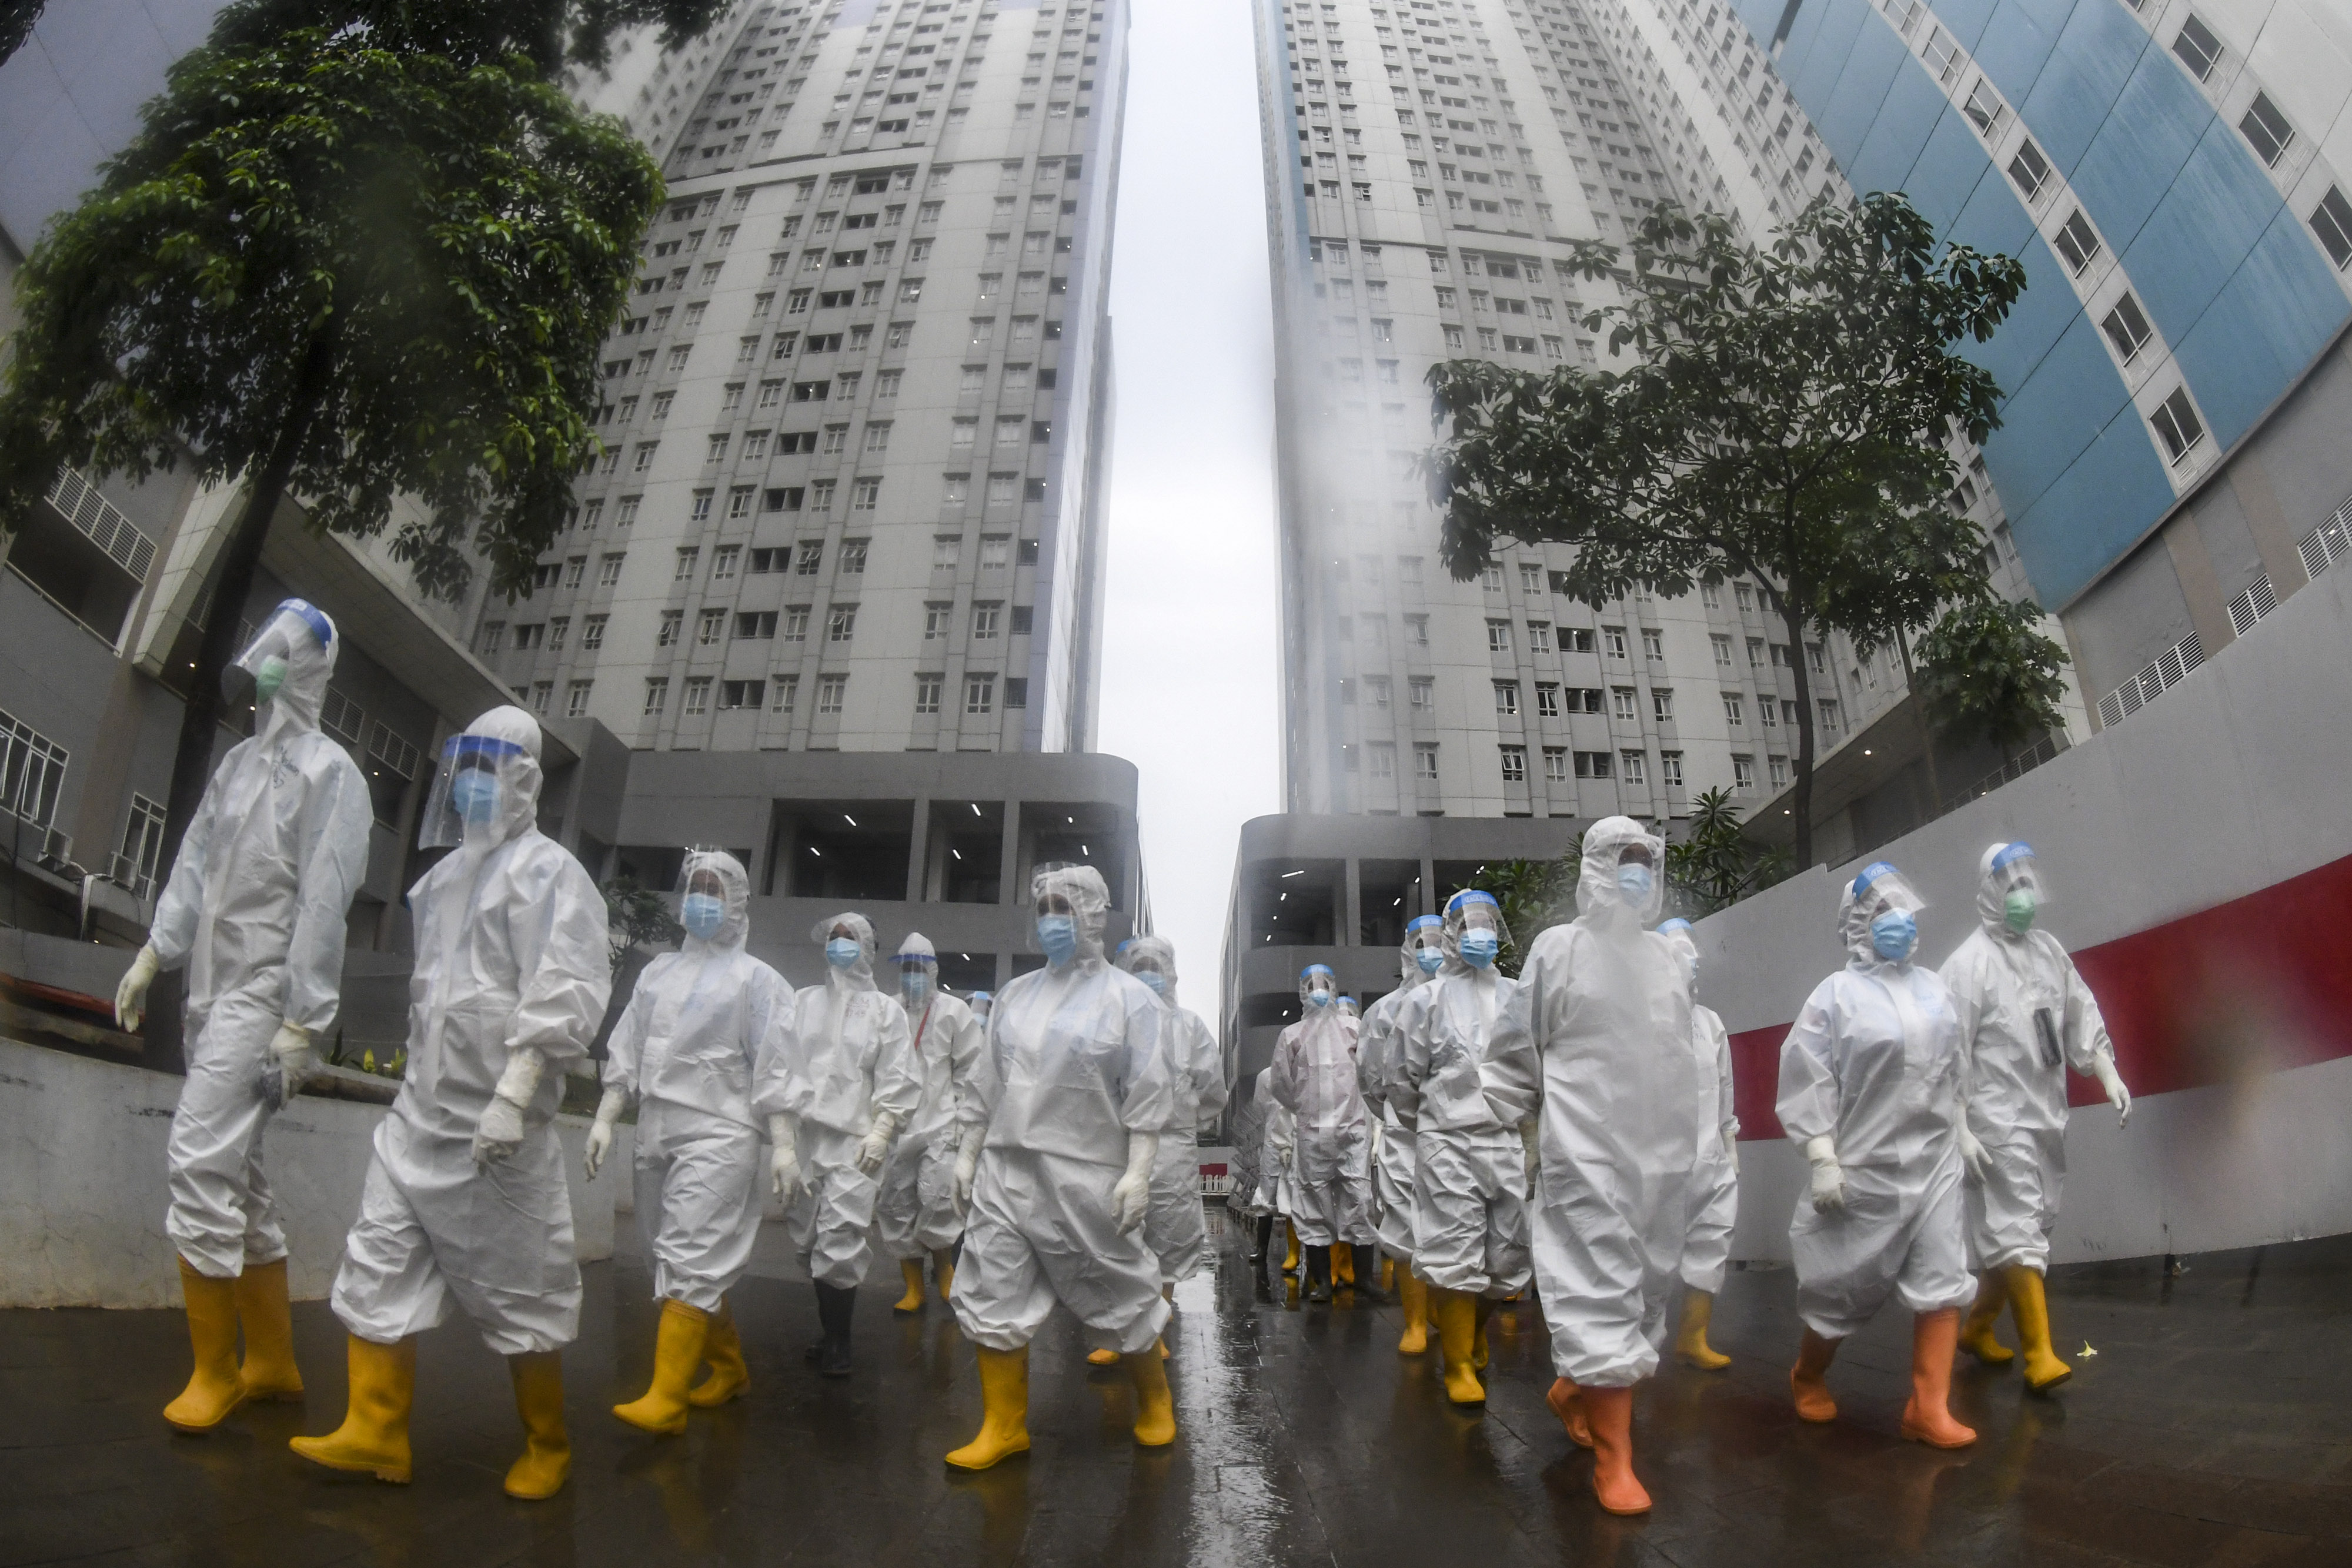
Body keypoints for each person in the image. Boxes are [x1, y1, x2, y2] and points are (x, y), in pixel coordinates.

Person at [290, 706, 611, 1497]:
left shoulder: (550, 874)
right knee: (377, 1263)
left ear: (524, 778)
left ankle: (548, 1442)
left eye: (488, 765)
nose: (471, 781)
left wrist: (513, 1094)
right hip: (419, 1116)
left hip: (496, 1130)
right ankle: (375, 1429)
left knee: (521, 1285)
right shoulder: (440, 881)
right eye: (463, 764)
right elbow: (434, 996)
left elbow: (563, 989)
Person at [114, 599, 373, 1435]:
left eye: (284, 648)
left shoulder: (334, 774)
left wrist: (303, 1022)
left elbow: (325, 902)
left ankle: (215, 1371)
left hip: (265, 990)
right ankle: (272, 1362)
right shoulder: (237, 767)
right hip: (211, 988)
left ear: (309, 664)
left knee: (197, 1154)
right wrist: (156, 951)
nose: (266, 658)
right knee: (241, 1170)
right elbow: (194, 863)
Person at [1485, 816, 1697, 1516]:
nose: (1635, 872)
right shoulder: (1560, 950)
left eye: (1645, 859)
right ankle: (1615, 1459)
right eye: (1622, 858)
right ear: (1596, 867)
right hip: (1585, 1151)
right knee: (1601, 1283)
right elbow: (1516, 1048)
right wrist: (1527, 1134)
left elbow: (1675, 1054)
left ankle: (1576, 1386)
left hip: (1661, 1152)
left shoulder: (1666, 960)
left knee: (1646, 1291)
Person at [945, 864, 1178, 1470]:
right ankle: (1004, 1426)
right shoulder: (1016, 997)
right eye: (1043, 906)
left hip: (1085, 1171)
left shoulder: (1131, 1000)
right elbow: (985, 1084)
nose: (1051, 919)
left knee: (1121, 1287)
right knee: (990, 1286)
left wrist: (1138, 1172)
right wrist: (969, 1154)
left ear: (1093, 914)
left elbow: (1149, 1098)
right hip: (1007, 1165)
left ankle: (1154, 1401)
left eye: (1063, 907)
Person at [586, 850, 797, 1434]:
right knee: (667, 1256)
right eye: (694, 887)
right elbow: (626, 1044)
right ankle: (728, 1368)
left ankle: (667, 1398)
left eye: (714, 889)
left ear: (736, 902)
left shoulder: (759, 980)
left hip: (721, 1130)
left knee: (690, 1252)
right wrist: (607, 1112)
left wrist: (782, 1142)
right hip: (656, 1125)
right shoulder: (657, 972)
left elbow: (776, 1065)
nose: (701, 899)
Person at [1779, 861, 1976, 1450]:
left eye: (1903, 911)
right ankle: (1808, 1371)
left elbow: (1955, 1067)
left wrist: (1962, 1127)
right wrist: (1821, 1155)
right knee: (1840, 1291)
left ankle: (1928, 1407)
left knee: (1944, 1279)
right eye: (1883, 913)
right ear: (1859, 924)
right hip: (1864, 1167)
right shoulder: (1834, 997)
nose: (1899, 923)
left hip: (1935, 1159)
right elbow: (1806, 1078)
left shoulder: (1936, 988)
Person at [1943, 842, 2130, 1392]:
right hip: (1996, 1119)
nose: (2022, 895)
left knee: (2033, 1222)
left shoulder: (2049, 951)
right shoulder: (1967, 965)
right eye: (2010, 884)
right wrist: (1959, 1125)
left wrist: (2107, 1071)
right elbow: (1947, 1052)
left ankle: (1977, 1327)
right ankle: (2040, 1356)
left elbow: (2079, 1014)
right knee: (2018, 1226)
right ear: (1989, 891)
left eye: (2027, 882)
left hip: (2047, 1111)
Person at [1394, 892, 1531, 1407]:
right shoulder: (1424, 1001)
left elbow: (1530, 1066)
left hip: (1504, 1138)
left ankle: (1472, 1327)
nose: (1480, 931)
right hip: (1447, 1141)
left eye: (1487, 922)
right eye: (1468, 922)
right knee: (1456, 1254)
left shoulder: (1518, 994)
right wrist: (1432, 1127)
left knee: (1508, 1256)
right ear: (1451, 932)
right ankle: (1457, 1364)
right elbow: (1401, 1079)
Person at [784, 912, 919, 1376]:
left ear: (868, 948)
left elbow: (898, 1075)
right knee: (807, 1241)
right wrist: (783, 1143)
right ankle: (829, 1328)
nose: (840, 944)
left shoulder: (885, 1010)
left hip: (856, 1145)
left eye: (851, 937)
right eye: (834, 936)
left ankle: (839, 1342)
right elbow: (780, 1067)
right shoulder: (803, 1002)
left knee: (840, 1238)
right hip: (806, 1140)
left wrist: (883, 1130)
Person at [1117, 935, 1229, 1357]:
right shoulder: (1115, 1021)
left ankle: (1156, 1325)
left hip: (1173, 1145)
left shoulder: (1190, 1027)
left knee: (1165, 1232)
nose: (1148, 973)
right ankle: (1121, 1327)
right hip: (1120, 1143)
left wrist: (1184, 1120)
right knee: (1120, 1231)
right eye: (1140, 965)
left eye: (1155, 965)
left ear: (1171, 973)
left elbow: (1214, 1092)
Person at [878, 932, 984, 1314]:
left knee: (939, 1199)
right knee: (896, 1204)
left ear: (933, 970)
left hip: (940, 1122)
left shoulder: (954, 1011)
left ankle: (945, 1274)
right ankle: (912, 1288)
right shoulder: (887, 1010)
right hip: (893, 1126)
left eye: (918, 968)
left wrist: (962, 1120)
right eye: (906, 969)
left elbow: (971, 1067)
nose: (912, 976)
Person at [1359, 915, 1445, 1354]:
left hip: (1457, 1130)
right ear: (1408, 949)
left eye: (1438, 940)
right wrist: (1397, 1114)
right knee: (1407, 1224)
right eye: (1423, 942)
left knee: (1454, 1224)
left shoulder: (1466, 1000)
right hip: (1404, 1132)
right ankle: (1414, 1321)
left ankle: (1447, 1312)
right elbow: (1371, 1078)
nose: (1432, 949)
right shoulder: (1384, 1012)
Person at [1659, 919, 1740, 1371]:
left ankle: (1693, 1337)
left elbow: (1724, 1087)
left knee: (1711, 1243)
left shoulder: (1710, 1023)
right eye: (1676, 954)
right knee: (1647, 1255)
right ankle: (1630, 1343)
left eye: (1690, 954)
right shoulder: (1643, 1022)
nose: (1687, 962)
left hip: (1710, 1157)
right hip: (1661, 1163)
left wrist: (1730, 1143)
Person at [1271, 964, 1373, 1303]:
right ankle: (1322, 1281)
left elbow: (1371, 1070)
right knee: (1313, 1203)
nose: (1318, 990)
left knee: (1358, 1199)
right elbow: (1282, 1085)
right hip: (1313, 1133)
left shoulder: (1354, 1028)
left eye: (1324, 984)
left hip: (1352, 1130)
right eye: (1311, 985)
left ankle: (1362, 1278)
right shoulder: (1292, 1035)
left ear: (1334, 988)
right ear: (1302, 991)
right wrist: (1304, 1109)